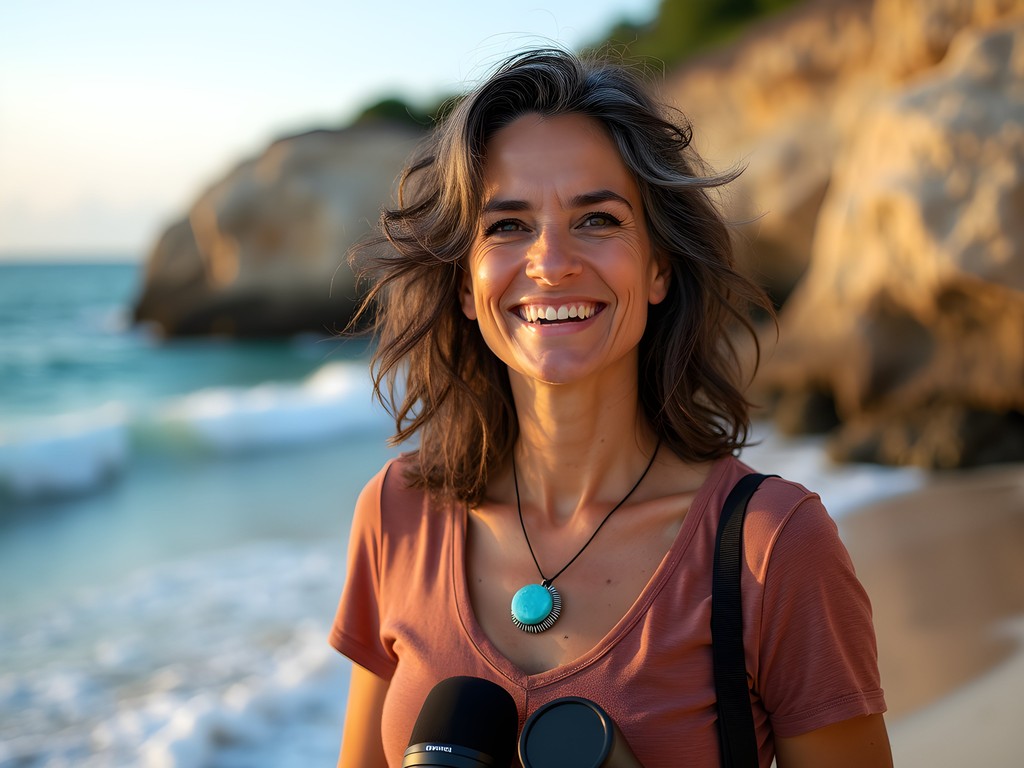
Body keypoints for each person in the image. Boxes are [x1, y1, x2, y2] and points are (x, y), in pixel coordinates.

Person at [329, 48, 892, 767]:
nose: (551, 260)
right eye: (507, 226)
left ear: (657, 266)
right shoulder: (397, 515)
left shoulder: (771, 549)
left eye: (597, 219)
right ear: (466, 286)